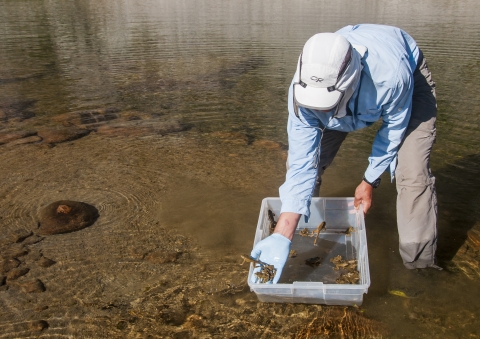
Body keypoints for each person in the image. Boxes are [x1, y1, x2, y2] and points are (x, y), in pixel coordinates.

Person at [251, 24, 440, 284]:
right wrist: (282, 232)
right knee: (312, 167)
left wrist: (370, 180)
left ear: (351, 82)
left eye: (327, 108)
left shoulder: (391, 77)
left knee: (412, 174)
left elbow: (393, 131)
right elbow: (302, 162)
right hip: (336, 87)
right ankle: (304, 236)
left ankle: (419, 268)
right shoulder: (301, 91)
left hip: (407, 76)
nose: (323, 114)